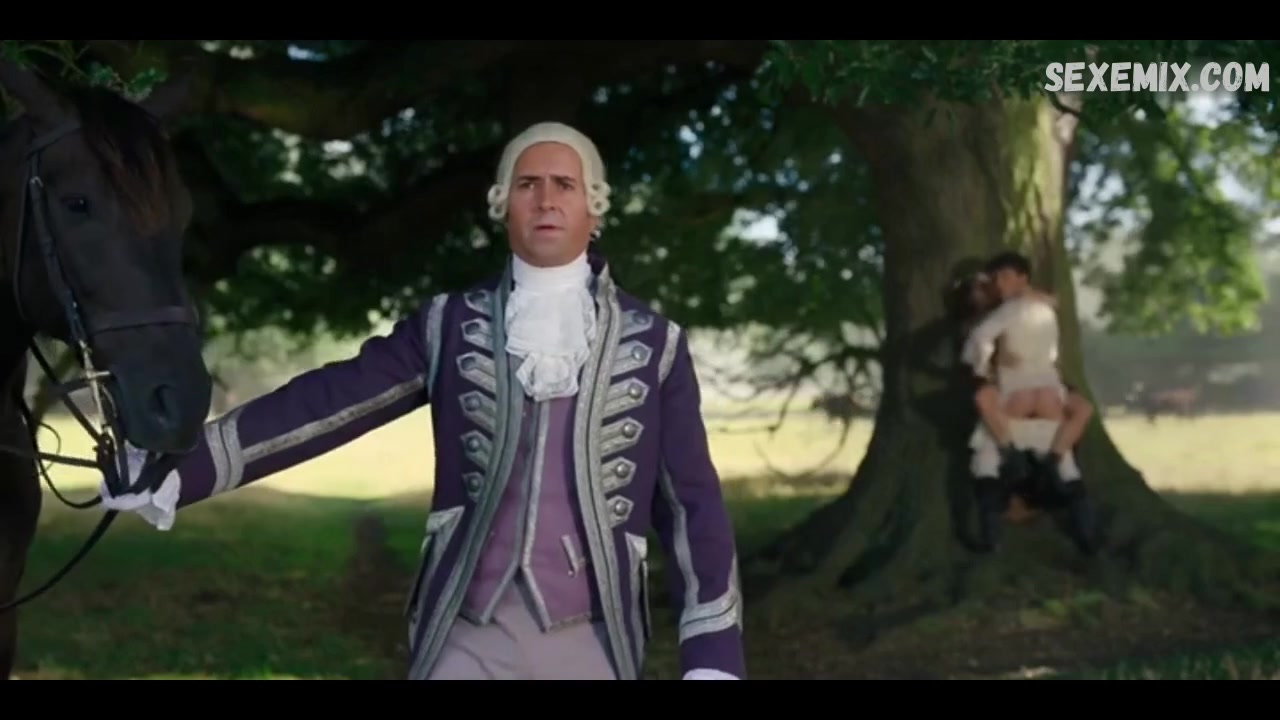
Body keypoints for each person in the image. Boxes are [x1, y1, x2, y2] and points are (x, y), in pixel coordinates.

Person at [99, 121, 746, 681]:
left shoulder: (655, 344)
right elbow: (328, 403)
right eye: (527, 184)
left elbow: (692, 505)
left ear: (594, 209)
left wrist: (713, 654)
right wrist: (182, 468)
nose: (546, 199)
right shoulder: (448, 325)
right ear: (503, 205)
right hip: (466, 633)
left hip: (593, 638)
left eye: (564, 185)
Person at [954, 256, 1097, 553]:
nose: (998, 283)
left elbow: (979, 339)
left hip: (1016, 395)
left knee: (987, 455)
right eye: (995, 278)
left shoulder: (1010, 309)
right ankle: (1086, 535)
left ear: (1022, 278)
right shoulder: (1040, 307)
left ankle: (993, 535)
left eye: (1004, 277)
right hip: (1047, 394)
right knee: (1064, 461)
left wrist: (980, 368)